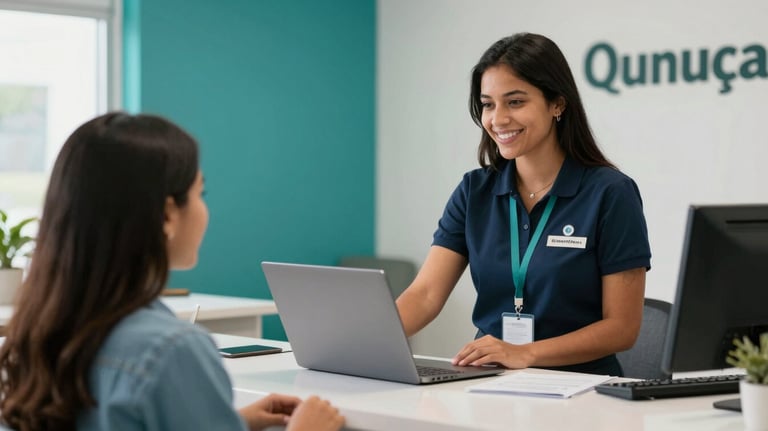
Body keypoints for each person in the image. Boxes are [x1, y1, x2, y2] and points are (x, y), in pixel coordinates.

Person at [0, 113, 345, 431]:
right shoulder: (172, 351)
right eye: (200, 192)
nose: (204, 208)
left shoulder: (33, 336)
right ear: (167, 215)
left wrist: (227, 421)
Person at [396, 33, 651, 376]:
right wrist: (360, 342)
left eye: (515, 102)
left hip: (582, 389)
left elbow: (622, 328)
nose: (498, 119)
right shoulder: (475, 191)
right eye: (488, 104)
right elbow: (425, 295)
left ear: (557, 104)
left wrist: (525, 352)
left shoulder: (610, 193)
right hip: (491, 380)